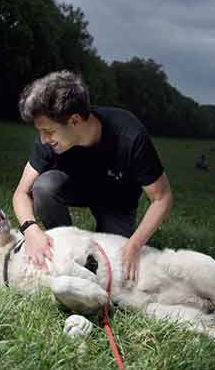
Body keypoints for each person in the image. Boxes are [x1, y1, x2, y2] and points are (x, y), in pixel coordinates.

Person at [13, 70, 173, 281]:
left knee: (112, 266)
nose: (43, 140)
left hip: (117, 200)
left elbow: (163, 197)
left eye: (49, 132)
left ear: (75, 121)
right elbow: (21, 193)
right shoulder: (49, 141)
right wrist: (31, 231)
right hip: (77, 187)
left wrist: (134, 245)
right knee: (44, 187)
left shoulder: (130, 134)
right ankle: (64, 246)